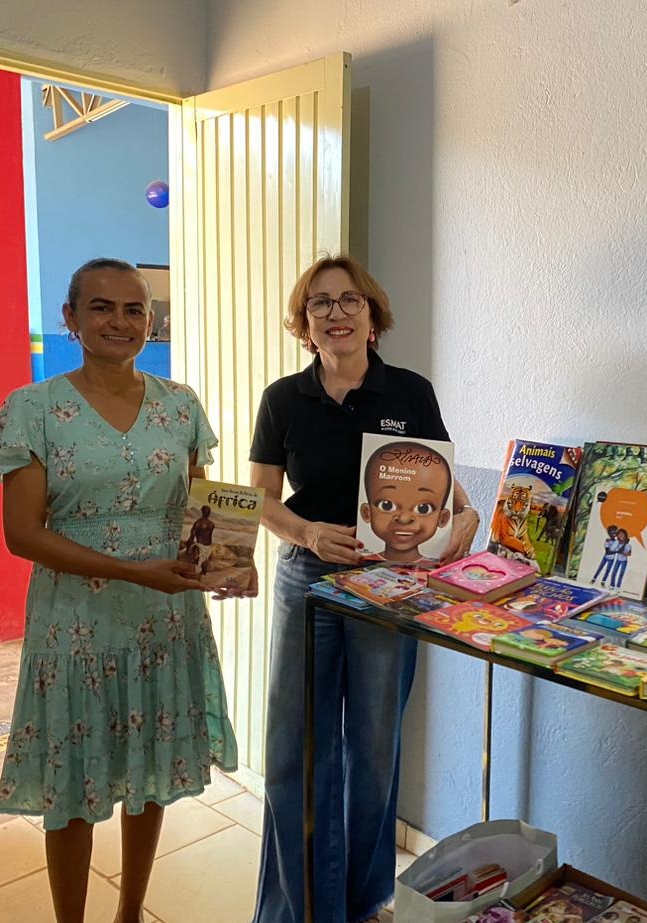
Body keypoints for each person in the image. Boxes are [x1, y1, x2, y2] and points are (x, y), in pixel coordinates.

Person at [0, 258, 245, 923]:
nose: (119, 321)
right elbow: (22, 534)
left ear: (150, 321)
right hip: (75, 624)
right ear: (70, 318)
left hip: (164, 620)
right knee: (71, 785)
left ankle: (130, 913)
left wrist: (225, 561)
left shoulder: (180, 404)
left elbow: (201, 509)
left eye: (134, 310)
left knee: (147, 772)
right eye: (101, 307)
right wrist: (134, 571)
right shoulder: (33, 410)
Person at [249, 254, 479, 923]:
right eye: (319, 303)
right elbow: (261, 500)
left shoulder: (409, 391)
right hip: (308, 582)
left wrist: (465, 515)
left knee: (374, 753)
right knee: (296, 751)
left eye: (350, 300)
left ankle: (362, 903)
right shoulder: (282, 399)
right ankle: (299, 909)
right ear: (304, 324)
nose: (336, 313)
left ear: (372, 315)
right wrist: (306, 533)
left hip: (391, 583)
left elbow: (442, 483)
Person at [359, 439, 453, 562]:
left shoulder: (437, 567)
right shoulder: (361, 563)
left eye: (423, 508)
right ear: (367, 513)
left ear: (443, 518)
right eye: (387, 505)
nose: (404, 518)